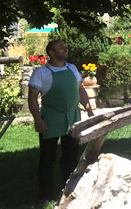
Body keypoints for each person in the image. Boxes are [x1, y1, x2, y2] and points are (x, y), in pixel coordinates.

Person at [27, 39, 94, 199]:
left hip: (73, 118)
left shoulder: (72, 68)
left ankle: (69, 188)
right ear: (51, 52)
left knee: (71, 155)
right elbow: (32, 98)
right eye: (61, 47)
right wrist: (38, 120)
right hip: (50, 119)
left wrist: (89, 111)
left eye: (66, 45)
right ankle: (46, 193)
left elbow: (80, 90)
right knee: (47, 158)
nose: (66, 48)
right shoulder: (41, 73)